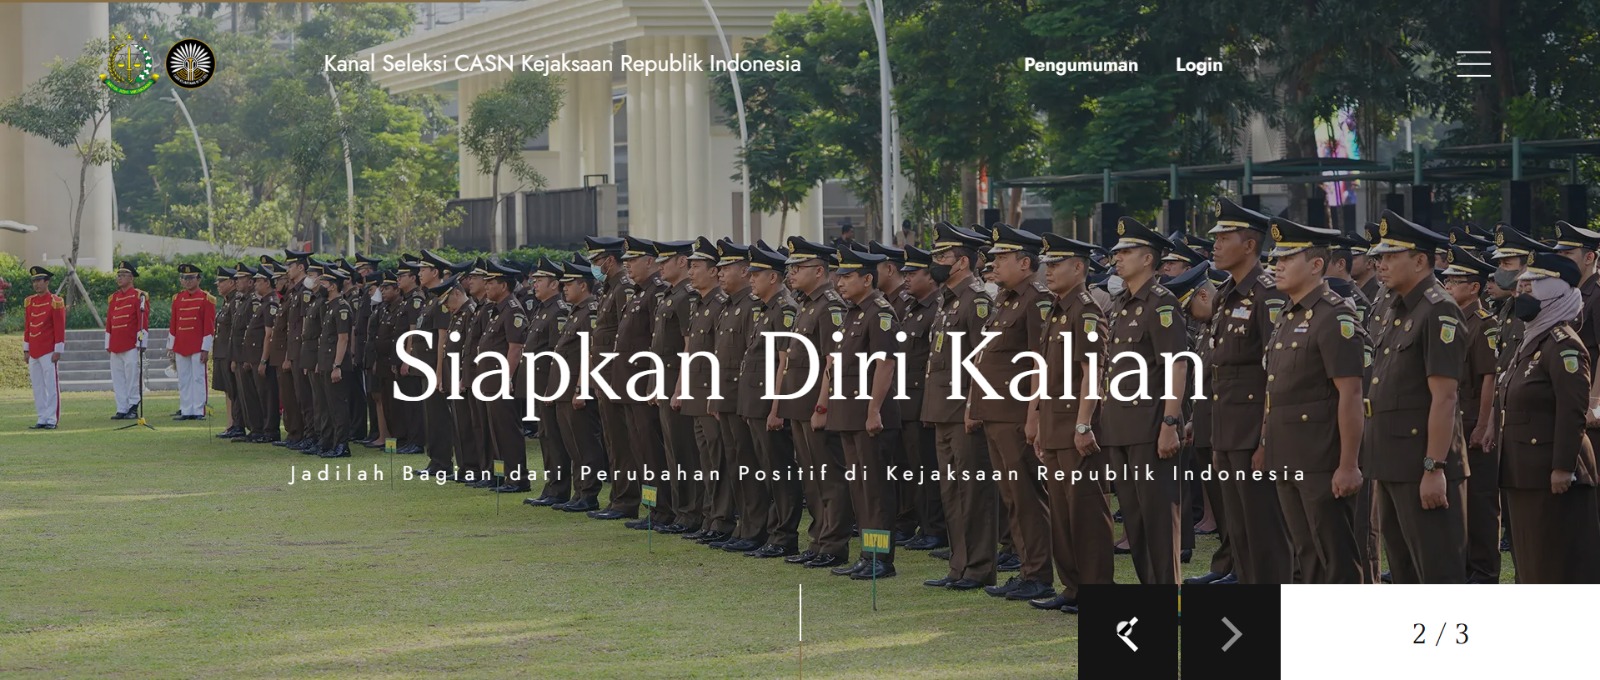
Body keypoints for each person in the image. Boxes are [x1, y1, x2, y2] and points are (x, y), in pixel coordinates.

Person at [1262, 217, 1368, 583]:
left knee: (1335, 557)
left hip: (1322, 459)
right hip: (1288, 455)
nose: (1277, 265)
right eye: (1276, 258)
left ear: (1316, 264)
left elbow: (1351, 393)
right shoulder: (1287, 314)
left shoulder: (1334, 316)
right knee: (1306, 555)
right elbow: (1276, 389)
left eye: (1287, 258)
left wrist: (1348, 464)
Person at [1364, 210, 1468, 583]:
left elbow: (1445, 398)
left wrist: (1434, 468)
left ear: (1420, 261)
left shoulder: (1439, 310)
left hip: (1421, 464)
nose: (1380, 264)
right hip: (1391, 463)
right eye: (1379, 256)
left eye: (1391, 256)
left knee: (1437, 574)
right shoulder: (1394, 306)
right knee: (1404, 572)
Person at [1205, 198, 1293, 585]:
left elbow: (1275, 373)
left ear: (1250, 245)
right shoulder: (1226, 292)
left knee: (1264, 532)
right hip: (1227, 430)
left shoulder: (1267, 294)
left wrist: (1265, 440)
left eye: (1225, 238)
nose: (1216, 245)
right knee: (1239, 528)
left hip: (1253, 432)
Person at [967, 224, 1056, 602]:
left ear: (1025, 263)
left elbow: (1040, 363)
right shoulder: (1005, 299)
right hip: (995, 413)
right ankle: (1026, 568)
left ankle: (1039, 574)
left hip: (1017, 415)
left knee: (1027, 496)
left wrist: (1034, 416)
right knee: (1011, 498)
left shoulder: (1036, 300)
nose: (994, 264)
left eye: (1002, 258)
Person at [1499, 252, 1600, 582]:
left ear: (1554, 292)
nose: (1522, 292)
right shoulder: (1534, 339)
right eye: (1523, 285)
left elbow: (1572, 411)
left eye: (1532, 285)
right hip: (1524, 473)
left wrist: (1562, 467)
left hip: (1551, 475)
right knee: (1531, 565)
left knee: (1553, 567)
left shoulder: (1563, 345)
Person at [1028, 232, 1113, 613]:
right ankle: (1073, 586)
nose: (1048, 271)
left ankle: (1096, 587)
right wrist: (1039, 422)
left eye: (1056, 264)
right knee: (1062, 514)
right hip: (1054, 424)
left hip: (1076, 426)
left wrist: (1083, 424)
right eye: (1046, 264)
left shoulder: (1086, 310)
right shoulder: (1056, 309)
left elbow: (1092, 371)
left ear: (1079, 267)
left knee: (1087, 513)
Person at [1102, 217, 1189, 585]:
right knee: (1134, 521)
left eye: (1127, 252)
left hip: (1150, 428)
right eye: (1117, 252)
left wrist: (1170, 423)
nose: (1117, 258)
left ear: (1148, 259)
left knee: (1157, 520)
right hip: (1119, 427)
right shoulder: (1122, 303)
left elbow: (1177, 365)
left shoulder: (1161, 304)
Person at [919, 223, 999, 591]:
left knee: (974, 493)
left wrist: (974, 406)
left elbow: (983, 360)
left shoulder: (977, 300)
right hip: (942, 409)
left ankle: (979, 568)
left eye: (942, 256)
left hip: (964, 411)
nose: (935, 261)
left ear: (962, 262)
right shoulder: (948, 300)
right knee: (951, 492)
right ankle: (959, 565)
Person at [778, 236, 853, 569]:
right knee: (812, 477)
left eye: (799, 267)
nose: (792, 273)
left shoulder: (830, 305)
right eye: (791, 268)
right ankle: (818, 540)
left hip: (815, 405)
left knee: (829, 476)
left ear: (819, 271)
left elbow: (832, 361)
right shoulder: (807, 304)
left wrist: (822, 406)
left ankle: (834, 544)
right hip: (800, 404)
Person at [737, 242, 803, 558]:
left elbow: (784, 363)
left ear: (773, 277)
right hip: (756, 403)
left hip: (769, 404)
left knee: (780, 472)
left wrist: (777, 407)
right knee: (766, 471)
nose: (751, 279)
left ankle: (784, 536)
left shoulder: (784, 308)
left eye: (756, 274)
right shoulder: (766, 308)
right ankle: (771, 532)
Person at [1439, 246, 1500, 583]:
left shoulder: (1484, 324)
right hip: (1452, 423)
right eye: (1446, 280)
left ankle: (1484, 570)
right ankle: (1463, 566)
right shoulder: (1450, 321)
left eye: (1455, 281)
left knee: (1479, 502)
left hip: (1472, 421)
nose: (1447, 285)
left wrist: (1483, 424)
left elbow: (1489, 376)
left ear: (1474, 287)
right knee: (1456, 501)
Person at [679, 237, 736, 545]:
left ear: (714, 271)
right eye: (689, 266)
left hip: (711, 394)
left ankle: (722, 519)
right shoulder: (699, 304)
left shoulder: (719, 304)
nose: (690, 272)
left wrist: (715, 393)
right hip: (696, 394)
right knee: (705, 461)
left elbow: (720, 355)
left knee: (718, 460)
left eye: (696, 266)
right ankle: (710, 515)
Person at [712, 239, 768, 553]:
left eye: (726, 268)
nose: (720, 273)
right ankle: (744, 525)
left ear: (745, 271)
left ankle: (756, 528)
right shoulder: (729, 305)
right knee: (735, 464)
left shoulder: (751, 306)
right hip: (726, 397)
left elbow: (753, 358)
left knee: (748, 464)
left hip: (742, 398)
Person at [618, 236, 676, 531]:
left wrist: (653, 381)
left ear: (649, 262)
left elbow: (658, 344)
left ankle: (663, 509)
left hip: (645, 384)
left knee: (653, 452)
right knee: (641, 450)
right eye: (626, 261)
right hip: (631, 384)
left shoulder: (656, 293)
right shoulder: (640, 293)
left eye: (633, 260)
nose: (627, 266)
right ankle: (651, 507)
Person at [584, 236, 643, 521]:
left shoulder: (624, 287)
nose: (595, 267)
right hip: (605, 376)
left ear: (609, 260)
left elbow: (626, 335)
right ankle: (618, 497)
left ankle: (627, 500)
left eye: (597, 261)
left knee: (622, 440)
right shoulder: (608, 288)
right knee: (612, 439)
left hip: (617, 376)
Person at [894, 245, 947, 551]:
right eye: (905, 273)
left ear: (930, 276)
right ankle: (923, 525)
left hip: (923, 403)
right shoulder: (912, 308)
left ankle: (934, 529)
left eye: (913, 273)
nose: (906, 278)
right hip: (906, 401)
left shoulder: (936, 307)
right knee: (912, 469)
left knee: (927, 470)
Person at [651, 239, 706, 535]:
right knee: (673, 452)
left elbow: (688, 346)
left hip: (677, 383)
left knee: (686, 453)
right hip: (665, 381)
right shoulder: (670, 295)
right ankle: (679, 510)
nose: (660, 267)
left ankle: (691, 512)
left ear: (681, 262)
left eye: (665, 262)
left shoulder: (687, 297)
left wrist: (680, 388)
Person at [524, 257, 574, 507]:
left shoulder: (559, 311)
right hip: (539, 384)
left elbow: (557, 354)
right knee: (545, 435)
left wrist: (551, 388)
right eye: (534, 280)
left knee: (554, 438)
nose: (534, 284)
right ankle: (551, 486)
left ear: (554, 284)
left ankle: (559, 489)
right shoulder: (542, 309)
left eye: (540, 280)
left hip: (549, 384)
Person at [479, 260, 531, 491]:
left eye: (491, 282)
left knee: (508, 432)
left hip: (501, 382)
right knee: (497, 433)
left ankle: (518, 479)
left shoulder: (512, 310)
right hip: (491, 382)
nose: (486, 286)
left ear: (503, 285)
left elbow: (515, 348)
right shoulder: (497, 310)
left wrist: (506, 378)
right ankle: (503, 476)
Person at [314, 267, 355, 458]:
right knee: (326, 406)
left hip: (336, 365)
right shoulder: (329, 306)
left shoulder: (342, 307)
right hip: (325, 363)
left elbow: (343, 338)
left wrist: (337, 365)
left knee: (338, 407)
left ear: (332, 286)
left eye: (323, 283)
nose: (319, 286)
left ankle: (341, 445)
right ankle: (328, 441)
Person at [168, 264, 215, 421]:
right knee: (184, 378)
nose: (187, 281)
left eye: (190, 278)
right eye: (183, 278)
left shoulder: (206, 299)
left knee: (198, 378)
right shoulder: (177, 298)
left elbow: (209, 327)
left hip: (197, 345)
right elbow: (174, 324)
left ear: (198, 279)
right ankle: (186, 409)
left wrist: (205, 349)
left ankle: (199, 409)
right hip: (181, 345)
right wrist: (171, 346)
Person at [106, 261, 151, 420]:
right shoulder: (113, 298)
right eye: (118, 275)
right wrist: (108, 343)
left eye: (123, 275)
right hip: (116, 344)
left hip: (132, 344)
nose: (119, 278)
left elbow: (143, 321)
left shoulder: (139, 295)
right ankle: (122, 407)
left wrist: (142, 343)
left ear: (131, 277)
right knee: (118, 378)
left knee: (132, 377)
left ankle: (133, 405)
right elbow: (109, 322)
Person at [23, 267, 65, 429]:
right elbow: (28, 327)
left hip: (48, 350)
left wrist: (58, 350)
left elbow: (59, 327)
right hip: (34, 350)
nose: (36, 284)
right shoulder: (30, 302)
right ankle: (42, 417)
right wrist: (26, 349)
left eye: (39, 280)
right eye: (34, 281)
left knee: (51, 385)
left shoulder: (55, 301)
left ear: (47, 282)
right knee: (38, 386)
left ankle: (52, 419)